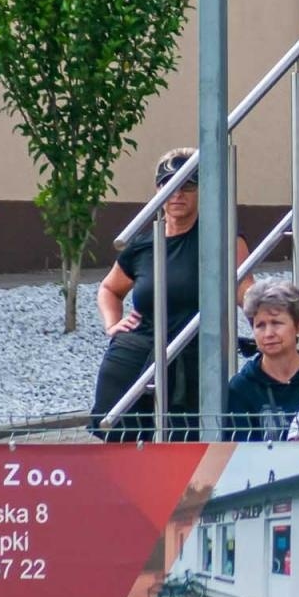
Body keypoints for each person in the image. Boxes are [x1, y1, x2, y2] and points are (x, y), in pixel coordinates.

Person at [90, 148, 253, 441]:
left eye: (187, 185)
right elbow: (109, 289)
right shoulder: (142, 243)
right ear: (158, 190)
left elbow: (246, 291)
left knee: (184, 442)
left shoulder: (220, 237)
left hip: (191, 353)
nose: (177, 194)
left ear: (202, 190)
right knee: (115, 434)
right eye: (168, 184)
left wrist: (274, 329)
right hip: (136, 348)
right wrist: (112, 324)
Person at [225, 281, 299, 441]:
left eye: (276, 323)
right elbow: (240, 447)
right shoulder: (241, 387)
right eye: (260, 325)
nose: (268, 333)